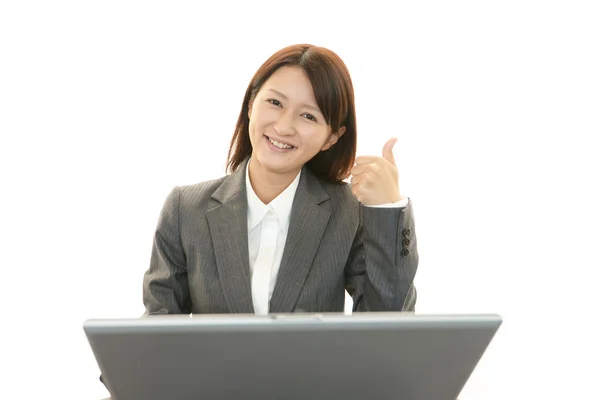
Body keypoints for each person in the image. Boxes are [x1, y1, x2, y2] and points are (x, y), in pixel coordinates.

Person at [142, 43, 418, 315]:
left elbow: (387, 325)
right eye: (275, 103)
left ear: (331, 137)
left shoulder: (348, 212)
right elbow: (157, 333)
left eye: (308, 116)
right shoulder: (185, 209)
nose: (284, 127)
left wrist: (387, 209)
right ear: (251, 104)